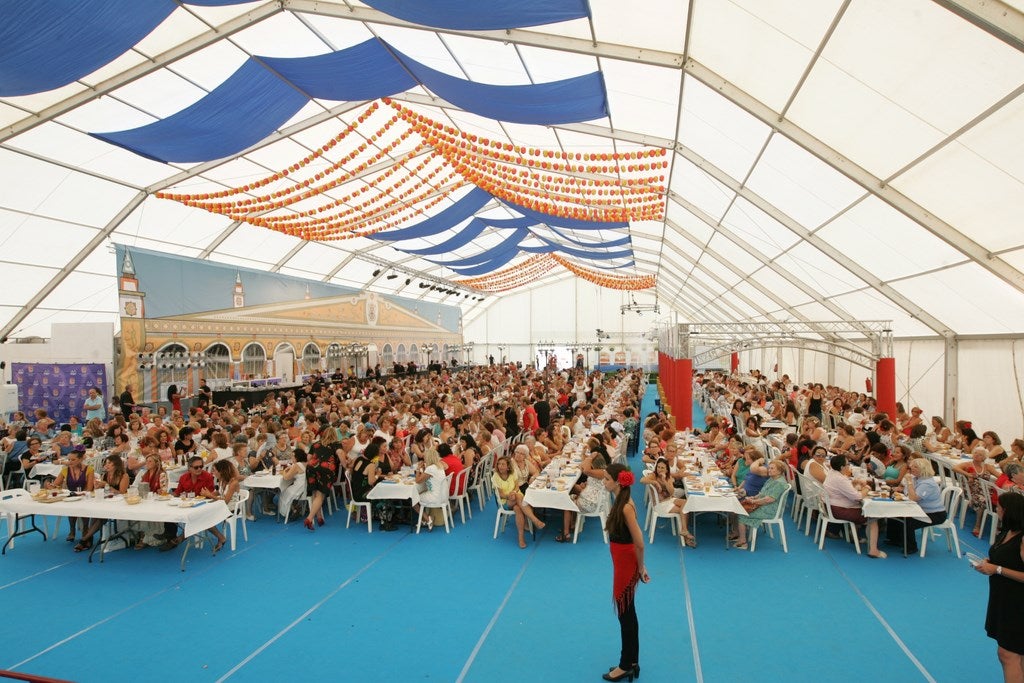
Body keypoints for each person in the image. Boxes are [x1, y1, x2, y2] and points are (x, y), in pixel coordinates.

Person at [602, 463, 648, 682]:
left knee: (625, 614)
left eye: (606, 479)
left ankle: (625, 665)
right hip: (621, 563)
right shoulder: (619, 500)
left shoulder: (626, 507)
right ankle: (632, 661)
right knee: (628, 613)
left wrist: (641, 567)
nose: (604, 482)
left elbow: (639, 542)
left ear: (618, 481)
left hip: (626, 566)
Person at [974, 491, 1024, 683]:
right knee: (1017, 654)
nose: (996, 509)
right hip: (1003, 600)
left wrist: (997, 569)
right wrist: (989, 562)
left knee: (1007, 654)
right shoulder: (1006, 532)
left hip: (1018, 604)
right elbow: (1002, 556)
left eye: (999, 508)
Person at [822, 454, 886, 559]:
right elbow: (858, 497)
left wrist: (853, 482)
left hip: (831, 506)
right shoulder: (840, 479)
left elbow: (842, 488)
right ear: (842, 467)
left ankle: (854, 536)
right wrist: (867, 488)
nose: (849, 467)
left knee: (860, 508)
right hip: (839, 510)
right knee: (872, 516)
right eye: (847, 464)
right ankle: (873, 550)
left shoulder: (832, 473)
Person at [76, 454, 130, 552]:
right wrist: (97, 485)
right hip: (107, 501)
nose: (107, 465)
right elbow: (101, 490)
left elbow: (122, 492)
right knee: (95, 514)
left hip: (120, 503)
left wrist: (107, 485)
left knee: (101, 516)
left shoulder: (124, 475)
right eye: (106, 463)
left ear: (116, 464)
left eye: (109, 463)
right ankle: (88, 538)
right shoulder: (105, 475)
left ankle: (84, 539)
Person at [732, 459, 790, 549]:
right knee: (739, 507)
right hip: (765, 505)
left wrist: (754, 502)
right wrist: (754, 497)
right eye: (769, 468)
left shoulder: (779, 483)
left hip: (770, 509)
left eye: (772, 468)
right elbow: (762, 493)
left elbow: (769, 499)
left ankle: (743, 542)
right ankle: (739, 535)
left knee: (741, 513)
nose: (769, 470)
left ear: (779, 471)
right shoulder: (772, 479)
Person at [490, 455, 545, 548]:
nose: (500, 466)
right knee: (518, 497)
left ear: (508, 467)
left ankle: (521, 538)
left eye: (503, 464)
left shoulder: (513, 473)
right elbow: (500, 494)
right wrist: (509, 496)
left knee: (518, 509)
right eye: (499, 464)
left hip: (516, 498)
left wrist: (514, 492)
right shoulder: (495, 477)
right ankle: (534, 520)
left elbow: (516, 486)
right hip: (505, 502)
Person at [49, 446, 94, 542]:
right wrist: (51, 486)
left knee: (82, 505)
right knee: (71, 503)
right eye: (69, 459)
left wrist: (81, 494)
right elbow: (56, 485)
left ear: (81, 459)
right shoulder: (65, 470)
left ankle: (85, 529)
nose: (70, 462)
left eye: (73, 459)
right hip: (71, 496)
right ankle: (72, 530)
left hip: (85, 496)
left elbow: (89, 488)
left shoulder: (89, 470)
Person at [412, 449, 448, 531]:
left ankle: (427, 518)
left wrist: (418, 469)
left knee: (413, 498)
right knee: (421, 492)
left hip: (435, 497)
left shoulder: (431, 468)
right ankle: (425, 518)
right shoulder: (439, 466)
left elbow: (418, 481)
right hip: (443, 496)